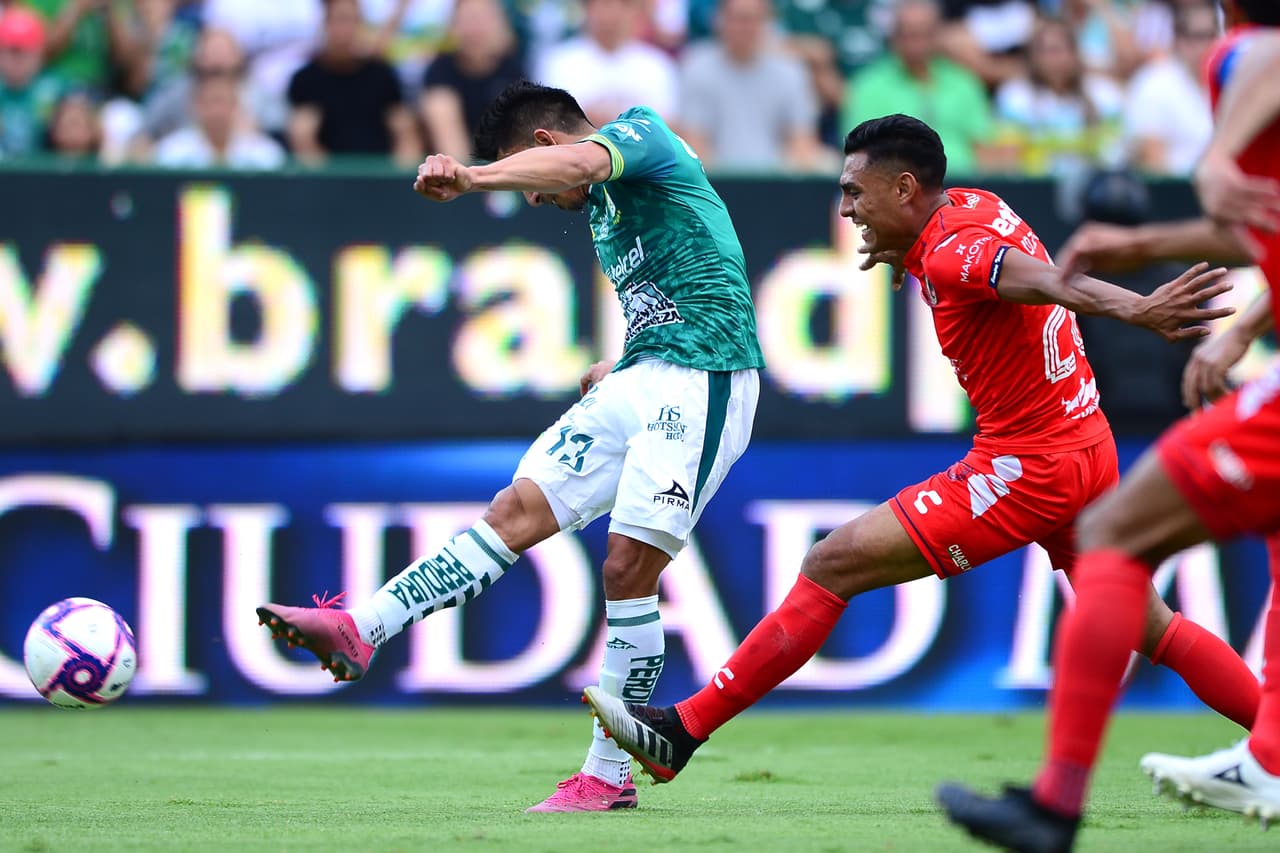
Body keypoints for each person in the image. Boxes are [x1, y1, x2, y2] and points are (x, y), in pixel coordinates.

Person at [580, 112, 1261, 797]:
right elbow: (989, 270)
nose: (847, 210)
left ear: (904, 187)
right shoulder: (976, 206)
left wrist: (1139, 309)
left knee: (832, 562)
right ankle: (1274, 744)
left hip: (1026, 468)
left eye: (855, 192)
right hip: (1087, 444)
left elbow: (1045, 281)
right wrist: (905, 253)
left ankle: (684, 730)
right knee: (1151, 625)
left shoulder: (950, 252)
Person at [256, 80, 765, 813]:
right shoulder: (605, 206)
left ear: (545, 144)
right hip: (646, 372)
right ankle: (361, 628)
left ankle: (608, 773)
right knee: (513, 511)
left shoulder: (643, 133)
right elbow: (673, 288)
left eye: (528, 177)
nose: (533, 198)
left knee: (628, 567)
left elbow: (579, 166)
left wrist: (472, 176)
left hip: (706, 376)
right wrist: (624, 363)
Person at [936, 1, 1280, 849]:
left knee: (1114, 537)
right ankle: (1268, 754)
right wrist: (1223, 307)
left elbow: (1270, 56)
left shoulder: (1243, 50)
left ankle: (1055, 805)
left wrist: (1213, 160)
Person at [842, 0, 995, 178]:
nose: (915, 44)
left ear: (937, 35)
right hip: (897, 186)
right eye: (907, 34)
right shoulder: (868, 87)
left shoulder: (964, 83)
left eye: (922, 34)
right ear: (893, 37)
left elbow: (983, 147)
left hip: (961, 184)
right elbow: (861, 154)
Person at [678, 0, 828, 172]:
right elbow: (695, 143)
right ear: (719, 20)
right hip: (716, 179)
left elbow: (802, 141)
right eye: (738, 19)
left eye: (753, 19)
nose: (744, 27)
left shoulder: (791, 71)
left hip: (778, 179)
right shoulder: (697, 69)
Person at [286, 0, 421, 166]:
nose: (345, 29)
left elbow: (404, 131)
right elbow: (302, 137)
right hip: (329, 174)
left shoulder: (381, 74)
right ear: (325, 23)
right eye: (339, 20)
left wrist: (401, 174)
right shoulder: (305, 79)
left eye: (351, 20)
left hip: (379, 170)